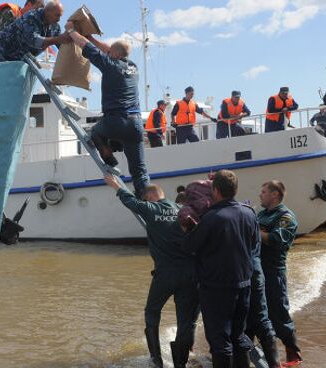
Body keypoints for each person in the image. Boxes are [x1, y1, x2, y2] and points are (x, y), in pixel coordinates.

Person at [104, 175, 199, 368]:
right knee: (186, 320)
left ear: (149, 198)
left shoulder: (150, 209)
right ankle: (182, 362)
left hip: (164, 274)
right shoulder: (182, 210)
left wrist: (115, 185)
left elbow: (130, 201)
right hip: (190, 274)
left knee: (152, 312)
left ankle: (156, 360)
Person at [65, 22, 150, 198]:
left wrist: (72, 31)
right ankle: (146, 199)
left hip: (116, 122)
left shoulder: (110, 65)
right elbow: (109, 49)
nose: (107, 53)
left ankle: (109, 157)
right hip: (135, 125)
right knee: (140, 171)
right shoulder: (133, 67)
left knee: (95, 132)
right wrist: (92, 38)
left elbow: (86, 47)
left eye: (110, 52)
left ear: (115, 55)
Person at [184, 170, 257, 367]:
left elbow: (190, 247)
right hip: (244, 284)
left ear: (215, 190)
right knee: (238, 336)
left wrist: (188, 228)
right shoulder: (249, 213)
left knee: (219, 341)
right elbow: (254, 244)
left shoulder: (211, 218)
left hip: (217, 287)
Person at [257, 180, 302, 365]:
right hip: (257, 271)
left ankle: (293, 354)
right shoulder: (260, 214)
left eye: (264, 191)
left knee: (279, 314)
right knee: (258, 314)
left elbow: (276, 239)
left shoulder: (286, 217)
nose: (260, 195)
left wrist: (252, 230)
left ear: (275, 194)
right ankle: (264, 355)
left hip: (274, 272)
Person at [0, 1, 69, 63]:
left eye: (60, 16)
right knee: (3, 78)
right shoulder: (31, 17)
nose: (59, 19)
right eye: (57, 15)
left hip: (20, 57)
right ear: (47, 11)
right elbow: (34, 41)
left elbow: (61, 45)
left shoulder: (55, 27)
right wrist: (58, 39)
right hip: (1, 50)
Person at [0, 0, 44, 64]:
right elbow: (3, 40)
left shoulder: (27, 23)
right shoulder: (11, 12)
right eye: (36, 10)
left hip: (7, 55)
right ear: (29, 5)